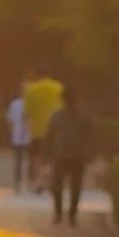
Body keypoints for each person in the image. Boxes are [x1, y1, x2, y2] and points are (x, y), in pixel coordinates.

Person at [45, 85, 93, 227]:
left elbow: (49, 136)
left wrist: (45, 154)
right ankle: (65, 214)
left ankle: (66, 215)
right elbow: (50, 136)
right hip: (67, 156)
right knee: (63, 186)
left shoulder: (77, 116)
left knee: (69, 187)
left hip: (71, 156)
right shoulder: (75, 116)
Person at [22, 68, 64, 192]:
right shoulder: (59, 88)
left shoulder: (31, 89)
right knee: (53, 158)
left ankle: (39, 181)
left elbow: (27, 113)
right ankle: (50, 178)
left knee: (37, 157)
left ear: (36, 75)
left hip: (37, 130)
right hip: (56, 130)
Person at [6, 82, 31, 190]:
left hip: (23, 136)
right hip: (26, 136)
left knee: (22, 160)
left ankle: (21, 182)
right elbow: (10, 121)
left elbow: (9, 121)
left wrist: (12, 133)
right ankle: (24, 181)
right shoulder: (17, 104)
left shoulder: (15, 104)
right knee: (24, 160)